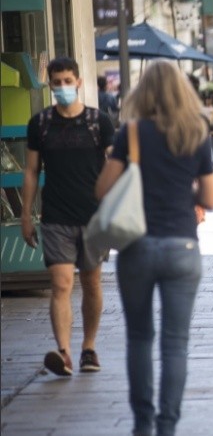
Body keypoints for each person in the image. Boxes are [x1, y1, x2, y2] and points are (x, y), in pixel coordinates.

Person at [95, 60, 213, 436]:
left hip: (138, 247)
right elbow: (210, 198)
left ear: (142, 92)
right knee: (175, 344)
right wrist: (183, 189)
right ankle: (168, 426)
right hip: (182, 246)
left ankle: (142, 425)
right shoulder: (195, 132)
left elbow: (101, 191)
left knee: (138, 337)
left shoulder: (130, 134)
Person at [21, 57, 116, 376]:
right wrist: (26, 214)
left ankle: (88, 347)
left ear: (78, 82)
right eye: (56, 82)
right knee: (61, 283)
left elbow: (112, 168)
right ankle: (63, 352)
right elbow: (32, 171)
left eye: (67, 81)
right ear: (50, 85)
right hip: (56, 215)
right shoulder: (41, 124)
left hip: (93, 215)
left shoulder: (98, 122)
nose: (62, 87)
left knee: (91, 283)